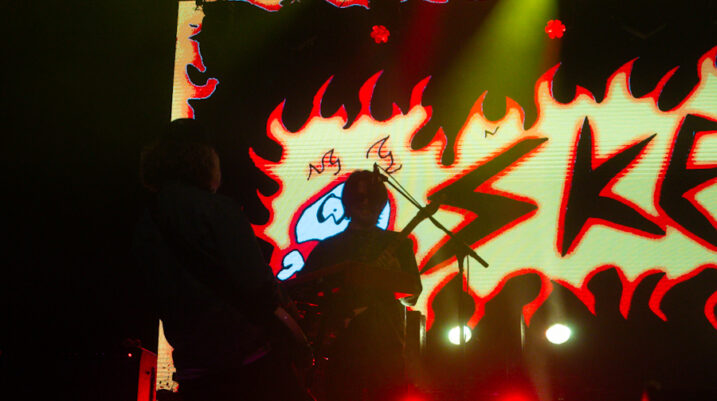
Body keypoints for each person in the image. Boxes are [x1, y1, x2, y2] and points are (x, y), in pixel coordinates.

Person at [133, 119, 311, 401]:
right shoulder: (219, 210)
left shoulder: (146, 222)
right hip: (246, 364)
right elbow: (257, 283)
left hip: (193, 369)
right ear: (205, 159)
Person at [297, 170, 423, 401]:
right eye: (358, 198)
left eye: (372, 198)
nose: (365, 203)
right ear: (347, 202)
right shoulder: (328, 248)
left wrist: (396, 274)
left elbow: (412, 294)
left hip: (386, 347)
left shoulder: (399, 244)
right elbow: (303, 291)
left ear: (381, 203)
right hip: (340, 347)